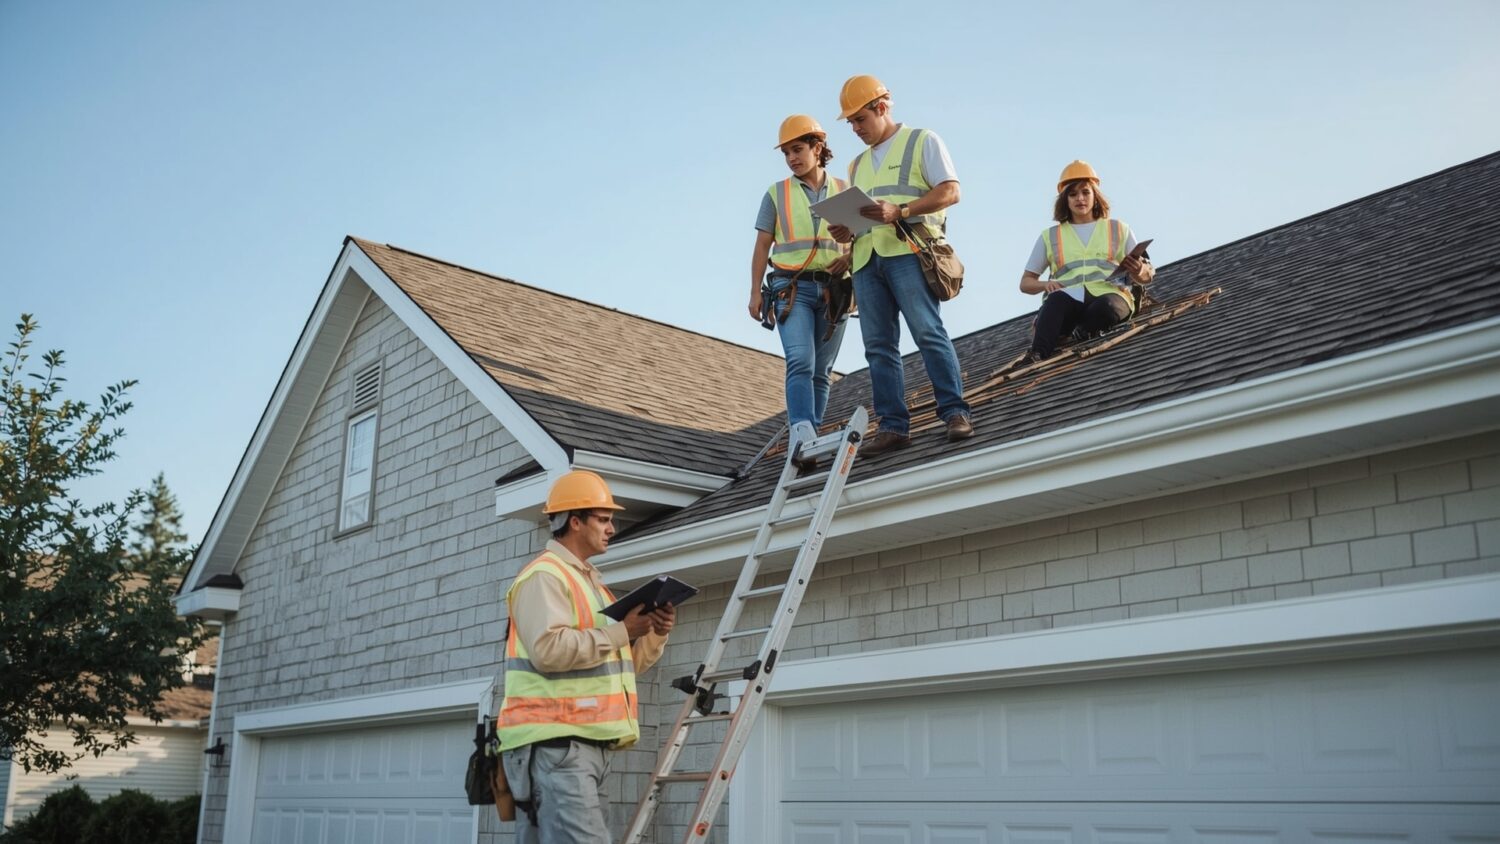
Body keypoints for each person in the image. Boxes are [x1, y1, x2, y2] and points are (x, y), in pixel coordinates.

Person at [497, 469, 674, 843]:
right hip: (558, 744)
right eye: (604, 519)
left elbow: (623, 665)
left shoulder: (592, 584)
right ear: (574, 521)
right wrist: (623, 630)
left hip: (580, 747)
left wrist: (654, 632)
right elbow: (548, 651)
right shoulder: (545, 577)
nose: (612, 528)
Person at [827, 75, 973, 457]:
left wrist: (902, 210)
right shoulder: (857, 165)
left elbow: (951, 191)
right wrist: (847, 229)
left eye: (860, 119)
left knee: (927, 331)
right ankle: (893, 426)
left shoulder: (922, 141)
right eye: (851, 123)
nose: (855, 129)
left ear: (881, 107)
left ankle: (955, 412)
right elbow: (868, 215)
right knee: (878, 347)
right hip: (866, 259)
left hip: (908, 253)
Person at [749, 115, 852, 469]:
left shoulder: (845, 188)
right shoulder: (776, 193)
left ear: (817, 148)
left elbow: (866, 236)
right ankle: (801, 433)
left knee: (822, 371)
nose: (792, 158)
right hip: (790, 289)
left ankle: (813, 439)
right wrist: (754, 292)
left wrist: (850, 256)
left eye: (798, 149)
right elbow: (762, 245)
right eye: (787, 153)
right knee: (800, 361)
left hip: (835, 291)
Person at [1019, 160, 1155, 362]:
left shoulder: (1118, 228)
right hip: (1069, 300)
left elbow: (1147, 275)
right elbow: (1026, 283)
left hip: (1109, 296)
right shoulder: (1050, 236)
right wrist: (1046, 284)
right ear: (1064, 200)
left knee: (1106, 308)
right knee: (1054, 302)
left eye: (1085, 192)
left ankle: (1080, 332)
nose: (1080, 199)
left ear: (1095, 195)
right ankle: (1037, 354)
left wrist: (1138, 271)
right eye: (1072, 194)